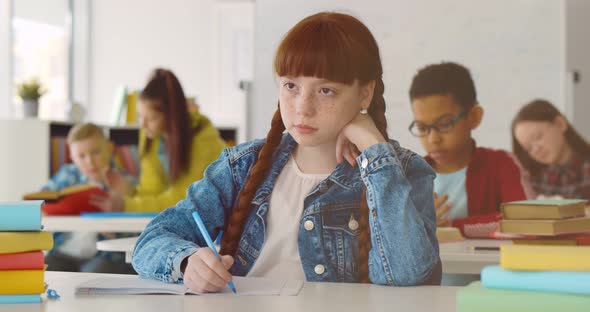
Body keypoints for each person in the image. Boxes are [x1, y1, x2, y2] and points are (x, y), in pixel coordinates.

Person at [132, 12, 440, 292]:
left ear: (365, 93)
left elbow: (407, 274)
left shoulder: (405, 171)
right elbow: (151, 241)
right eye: (291, 86)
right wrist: (186, 262)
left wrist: (374, 148)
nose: (302, 108)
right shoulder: (242, 167)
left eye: (326, 90)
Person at [408, 62, 533, 227]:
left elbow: (527, 220)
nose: (433, 139)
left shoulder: (501, 165)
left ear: (474, 117)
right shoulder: (411, 175)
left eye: (444, 124)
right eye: (422, 128)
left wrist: (452, 225)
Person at [91, 68, 227, 213]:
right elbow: (153, 192)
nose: (142, 125)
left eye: (151, 118)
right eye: (140, 116)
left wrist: (126, 205)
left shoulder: (203, 139)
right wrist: (129, 191)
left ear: (172, 116)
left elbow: (184, 200)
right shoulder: (153, 135)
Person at [42, 123, 135, 272]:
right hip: (65, 252)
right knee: (46, 269)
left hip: (105, 256)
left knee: (94, 274)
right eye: (81, 156)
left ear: (109, 149)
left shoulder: (124, 182)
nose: (90, 162)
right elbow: (43, 199)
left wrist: (116, 231)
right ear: (72, 157)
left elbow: (138, 233)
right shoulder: (67, 175)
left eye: (96, 152)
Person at [512, 99, 590, 200]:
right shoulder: (534, 179)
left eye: (537, 137)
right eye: (528, 148)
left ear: (560, 124)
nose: (536, 149)